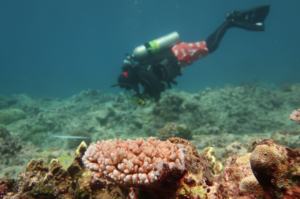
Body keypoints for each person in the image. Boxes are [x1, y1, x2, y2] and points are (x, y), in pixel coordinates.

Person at [111, 5, 270, 103]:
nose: (131, 89)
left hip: (179, 54)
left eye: (128, 87)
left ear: (128, 80)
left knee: (209, 46)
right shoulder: (140, 71)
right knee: (209, 47)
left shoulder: (140, 72)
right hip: (179, 57)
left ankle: (230, 21)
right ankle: (231, 23)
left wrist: (147, 95)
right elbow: (153, 84)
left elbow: (155, 85)